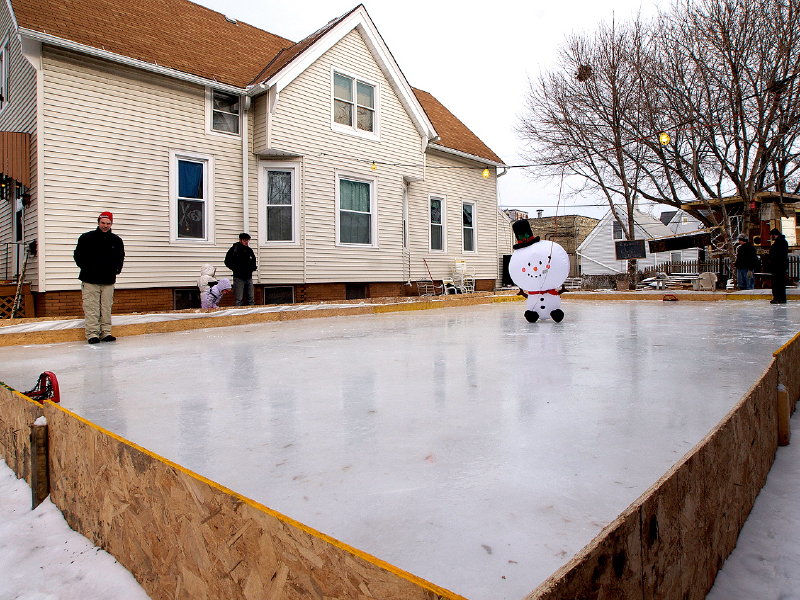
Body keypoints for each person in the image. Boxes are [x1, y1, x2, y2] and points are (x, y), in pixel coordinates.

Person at [73, 211, 125, 344]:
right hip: (90, 279)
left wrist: (116, 270)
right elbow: (78, 256)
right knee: (92, 308)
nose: (105, 226)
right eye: (103, 223)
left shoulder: (116, 240)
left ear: (111, 224)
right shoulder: (86, 238)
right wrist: (87, 267)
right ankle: (92, 334)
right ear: (98, 222)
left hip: (108, 280)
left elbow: (120, 257)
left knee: (106, 308)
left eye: (108, 223)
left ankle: (106, 333)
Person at [224, 232, 257, 306]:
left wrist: (253, 268)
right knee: (239, 298)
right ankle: (238, 314)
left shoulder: (249, 250)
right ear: (240, 240)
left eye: (247, 240)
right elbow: (227, 261)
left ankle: (251, 314)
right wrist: (235, 269)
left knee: (251, 298)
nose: (246, 242)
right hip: (239, 277)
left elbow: (253, 260)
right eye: (245, 240)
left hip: (248, 277)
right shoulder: (234, 249)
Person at [768, 228, 789, 304]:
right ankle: (780, 298)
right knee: (779, 283)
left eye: (772, 235)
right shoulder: (781, 242)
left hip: (778, 266)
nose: (771, 237)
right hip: (780, 266)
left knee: (777, 283)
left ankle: (778, 297)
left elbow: (778, 255)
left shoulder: (779, 243)